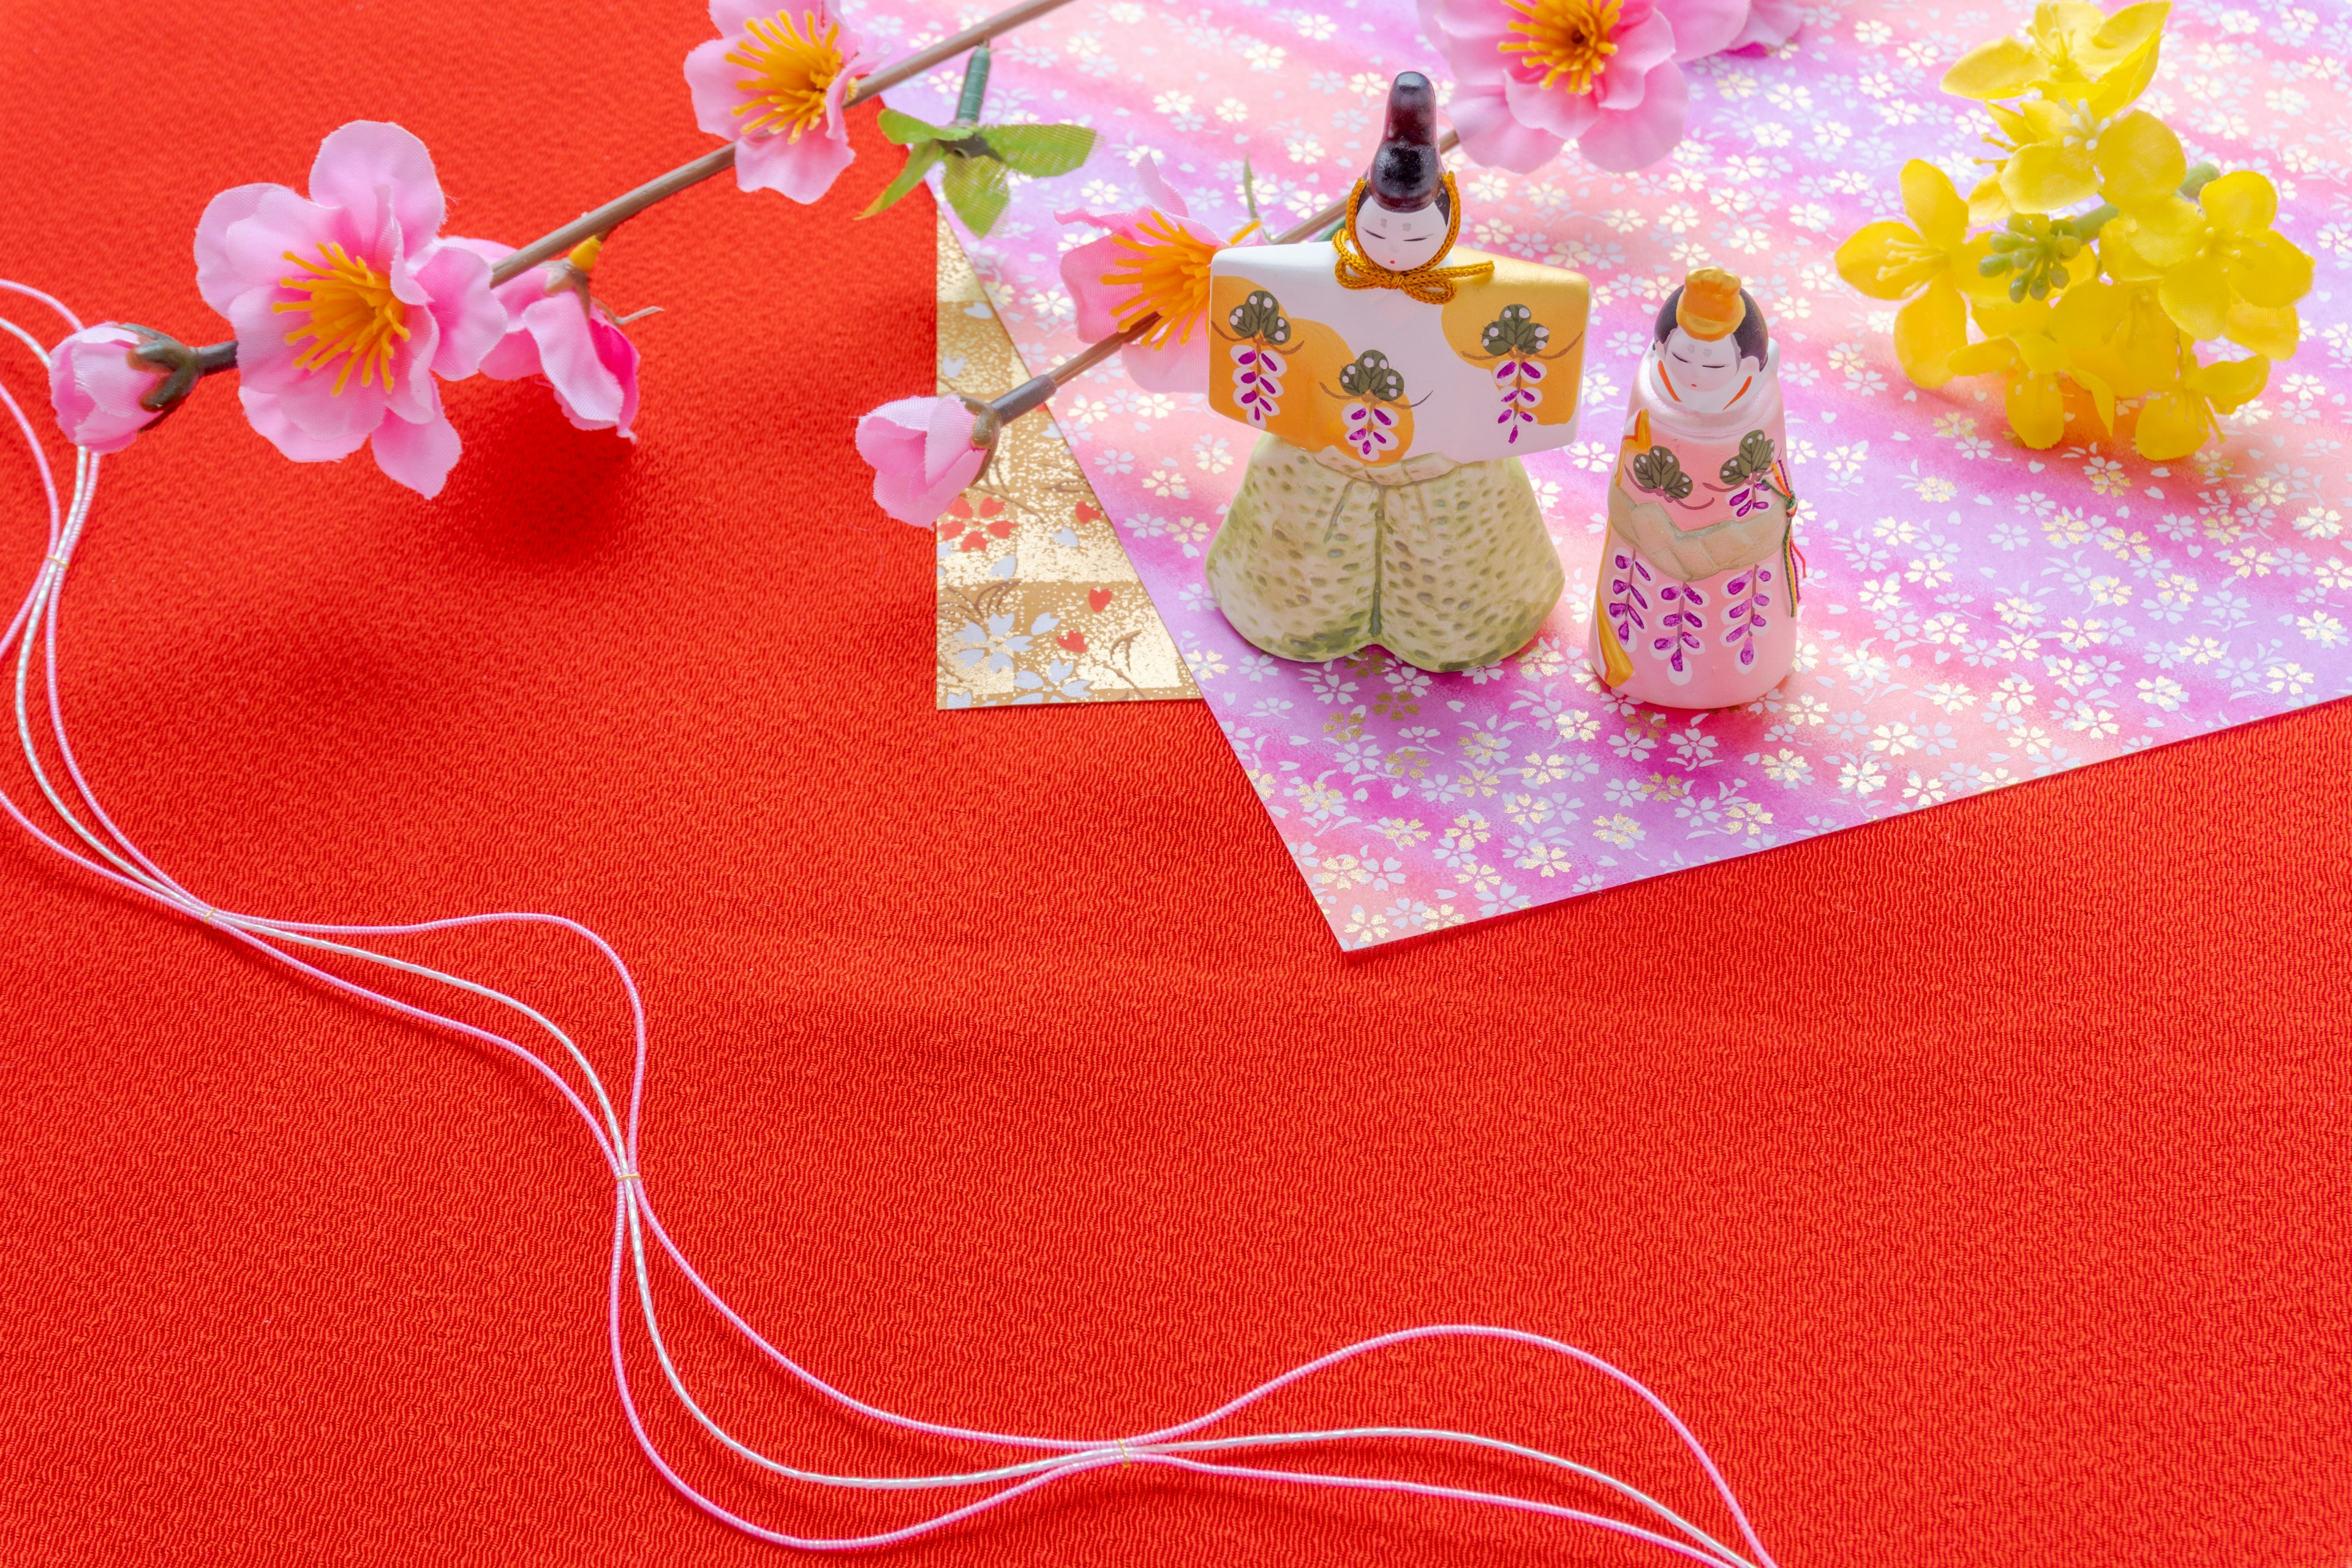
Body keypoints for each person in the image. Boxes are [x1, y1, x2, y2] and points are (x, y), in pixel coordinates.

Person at [1200, 73, 1590, 673]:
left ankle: (1459, 633)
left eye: (1413, 231)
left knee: (1454, 583)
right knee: (1302, 570)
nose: (1393, 244)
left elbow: (1542, 333)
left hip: (1448, 472)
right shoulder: (1321, 276)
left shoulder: (1474, 289)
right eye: (1379, 229)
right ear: (1356, 214)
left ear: (1448, 220)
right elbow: (1249, 293)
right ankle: (1297, 616)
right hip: (1323, 457)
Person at [1588, 266, 1801, 708]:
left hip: (1742, 550)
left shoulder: (1756, 405)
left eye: (1713, 363)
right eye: (1682, 359)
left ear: (1747, 365)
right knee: (1636, 579)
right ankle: (1629, 664)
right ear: (1661, 350)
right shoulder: (1652, 393)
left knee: (1737, 598)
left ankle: (1745, 673)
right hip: (1642, 542)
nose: (1696, 374)